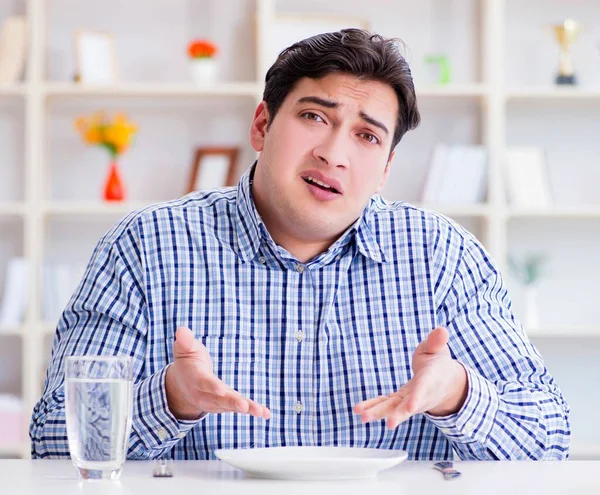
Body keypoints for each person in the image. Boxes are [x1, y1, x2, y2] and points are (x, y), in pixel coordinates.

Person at [30, 29, 569, 461]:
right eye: (315, 117)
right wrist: (170, 399)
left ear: (384, 170)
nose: (334, 154)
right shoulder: (144, 246)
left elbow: (549, 440)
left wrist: (458, 394)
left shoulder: (442, 257)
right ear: (262, 125)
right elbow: (53, 439)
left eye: (367, 136)